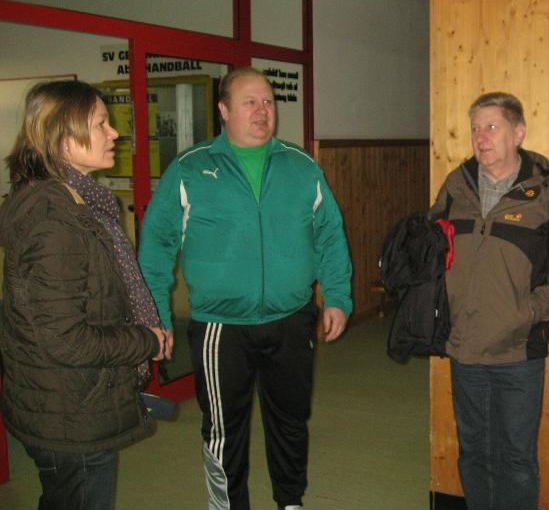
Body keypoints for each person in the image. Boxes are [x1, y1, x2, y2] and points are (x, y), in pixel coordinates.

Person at [138, 67, 352, 510]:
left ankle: (290, 502)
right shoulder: (191, 169)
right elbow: (156, 247)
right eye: (250, 102)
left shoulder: (301, 166)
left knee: (291, 421)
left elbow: (330, 234)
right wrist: (156, 316)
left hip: (292, 319)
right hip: (221, 327)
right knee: (224, 429)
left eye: (268, 101)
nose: (262, 111)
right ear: (224, 110)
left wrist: (336, 296)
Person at [0, 80, 168, 510]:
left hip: (71, 399)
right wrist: (145, 340)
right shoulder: (55, 219)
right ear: (63, 141)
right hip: (69, 411)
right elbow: (64, 339)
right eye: (100, 124)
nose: (115, 133)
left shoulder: (78, 203)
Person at [429, 92, 549, 510]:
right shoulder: (456, 186)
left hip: (518, 351)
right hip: (464, 345)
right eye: (476, 128)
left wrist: (531, 310)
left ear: (518, 133)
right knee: (473, 453)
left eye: (492, 127)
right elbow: (431, 248)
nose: (481, 137)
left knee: (516, 460)